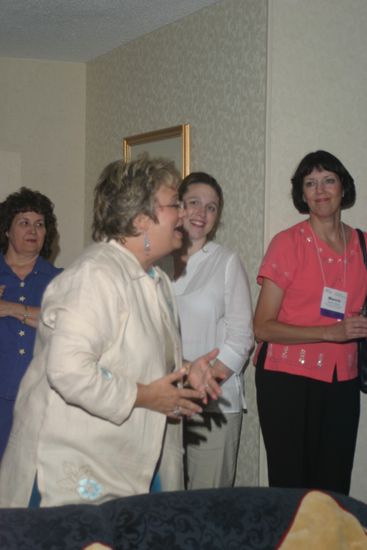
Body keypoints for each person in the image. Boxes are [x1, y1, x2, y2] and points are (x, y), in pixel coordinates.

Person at [0, 157, 222, 508]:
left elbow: (132, 356)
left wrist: (186, 368)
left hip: (133, 463)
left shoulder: (156, 280)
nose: (183, 214)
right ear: (140, 220)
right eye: (174, 204)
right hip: (75, 476)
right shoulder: (95, 276)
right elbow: (68, 370)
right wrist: (146, 396)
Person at [254, 150, 367, 495]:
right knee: (292, 489)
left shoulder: (363, 245)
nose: (320, 190)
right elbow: (262, 327)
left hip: (342, 382)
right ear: (301, 195)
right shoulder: (287, 244)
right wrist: (328, 332)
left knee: (334, 489)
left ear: (343, 188)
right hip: (286, 381)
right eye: (310, 183)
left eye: (328, 180)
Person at [172, 172, 253, 489]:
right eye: (194, 203)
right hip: (165, 399)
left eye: (211, 207)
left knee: (207, 509)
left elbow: (241, 338)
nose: (201, 214)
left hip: (214, 402)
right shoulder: (158, 261)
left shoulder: (226, 262)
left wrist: (201, 387)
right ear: (178, 206)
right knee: (164, 505)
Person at [0, 187, 61, 461]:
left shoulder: (60, 280)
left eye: (39, 224)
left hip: (43, 401)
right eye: (24, 223)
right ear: (6, 230)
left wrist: (11, 308)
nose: (33, 230)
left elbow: (66, 324)